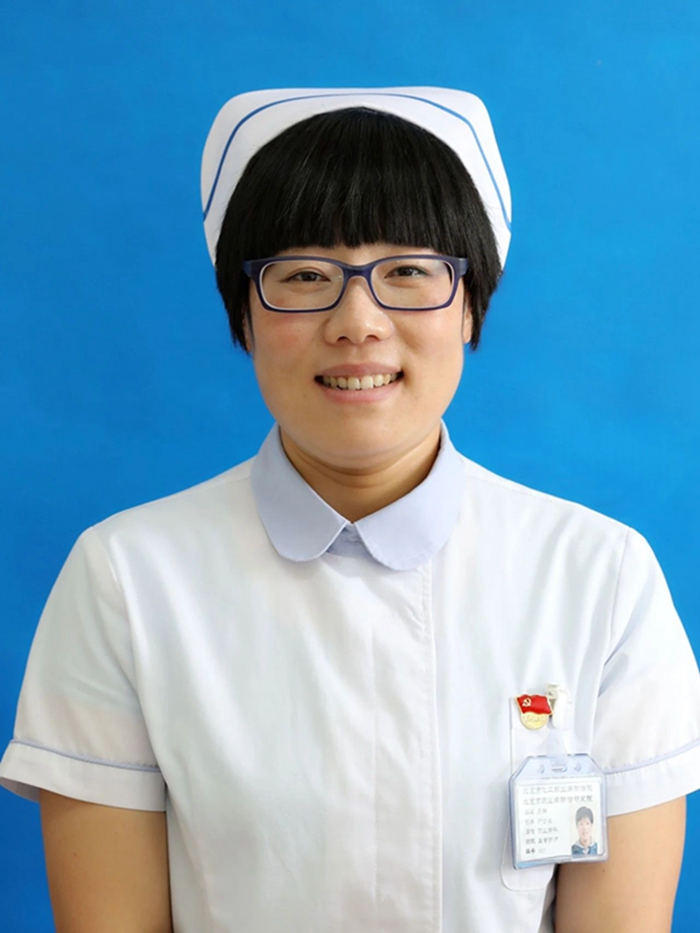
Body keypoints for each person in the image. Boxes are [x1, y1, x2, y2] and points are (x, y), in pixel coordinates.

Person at [1, 86, 699, 933]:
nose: (358, 322)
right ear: (244, 315)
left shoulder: (601, 577)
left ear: (470, 305)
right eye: (304, 276)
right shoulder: (127, 579)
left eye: (409, 272)